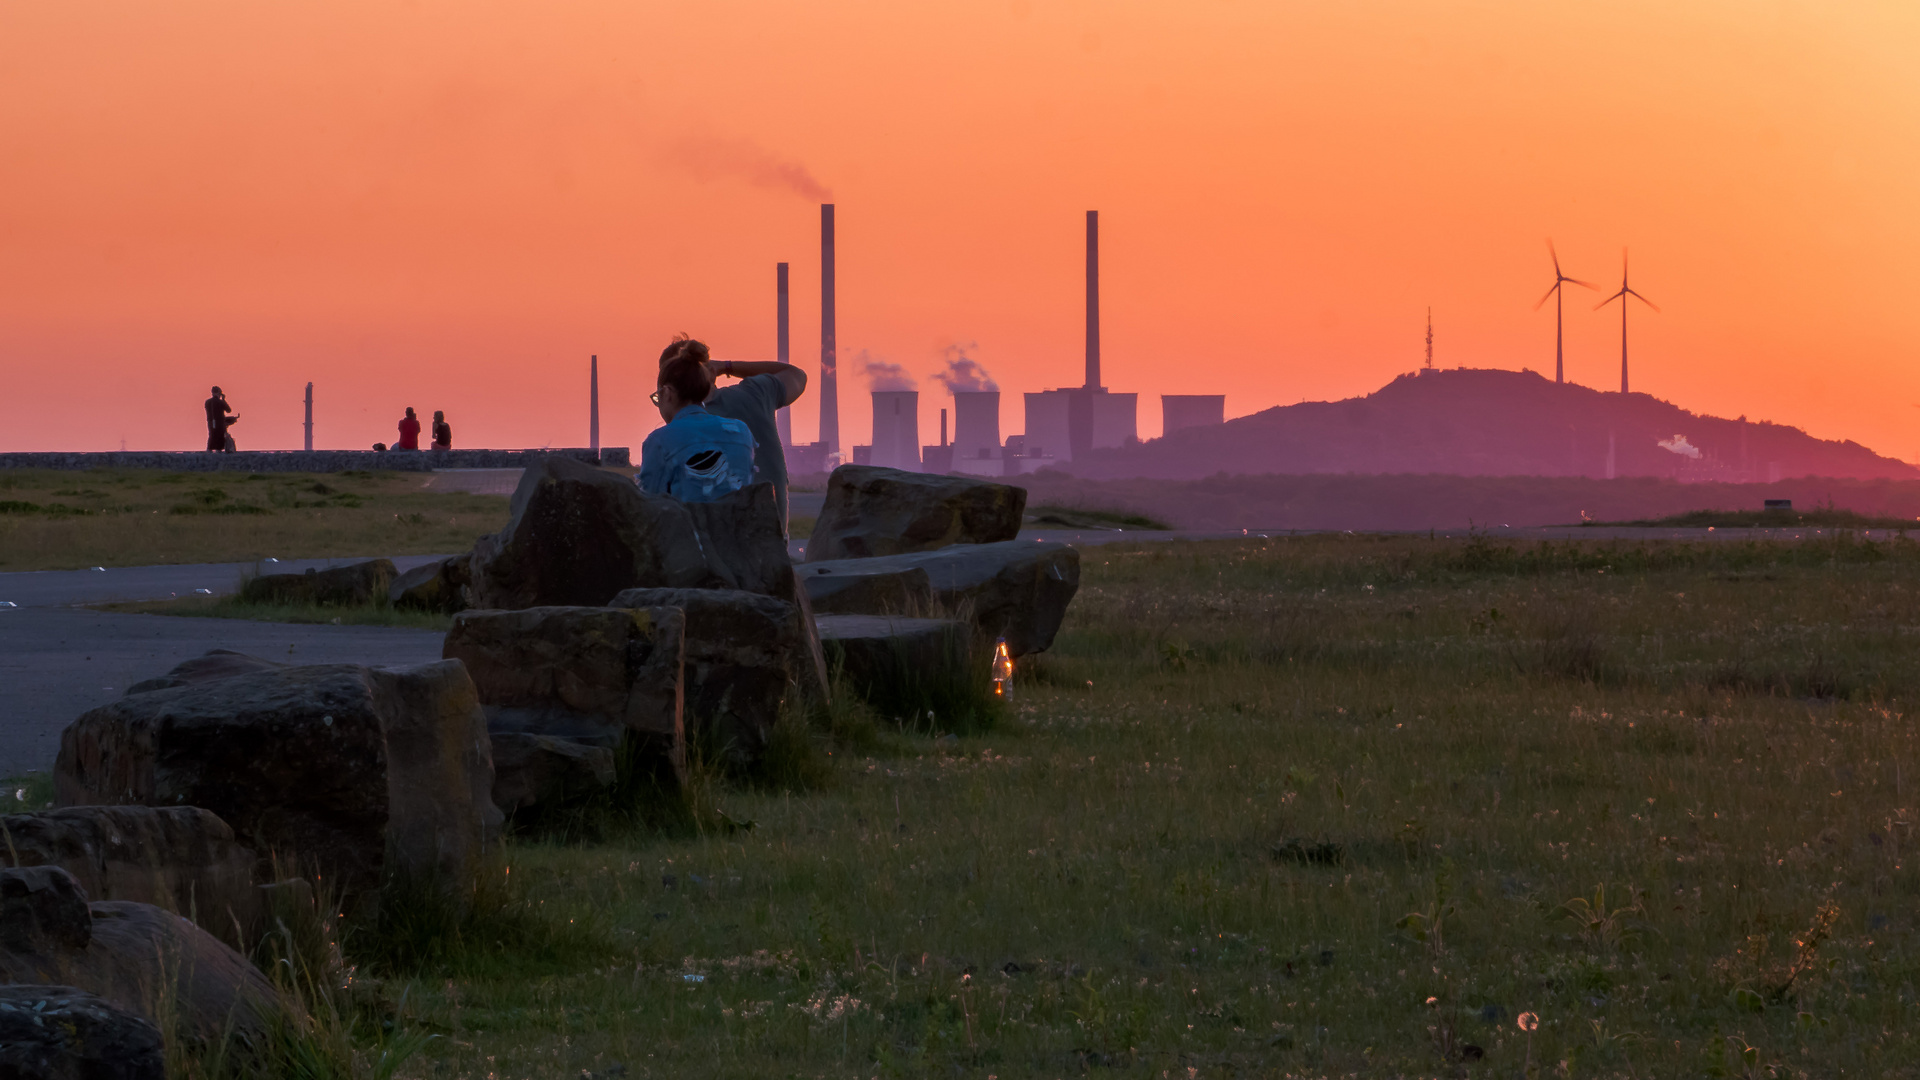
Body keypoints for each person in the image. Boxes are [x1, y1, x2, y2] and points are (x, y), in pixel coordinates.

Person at [658, 336, 807, 531]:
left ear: (667, 393)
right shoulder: (755, 394)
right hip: (771, 542)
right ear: (711, 372)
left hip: (710, 548)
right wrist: (727, 367)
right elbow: (795, 374)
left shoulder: (673, 436)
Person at [638, 352, 754, 502]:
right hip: (739, 523)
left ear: (667, 393)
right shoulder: (741, 431)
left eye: (657, 397)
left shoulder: (659, 441)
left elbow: (650, 504)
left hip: (689, 524)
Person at [204, 387, 238, 452]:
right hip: (219, 423)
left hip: (210, 422)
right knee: (220, 436)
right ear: (218, 393)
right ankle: (218, 450)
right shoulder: (220, 402)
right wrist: (223, 400)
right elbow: (229, 410)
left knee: (212, 435)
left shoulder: (207, 402)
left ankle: (209, 450)